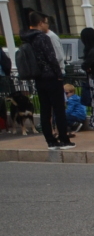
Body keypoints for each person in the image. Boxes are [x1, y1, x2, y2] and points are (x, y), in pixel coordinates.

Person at [19, 13, 73, 149]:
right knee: (59, 109)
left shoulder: (27, 38)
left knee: (45, 110)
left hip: (38, 77)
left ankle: (50, 140)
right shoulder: (42, 38)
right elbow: (51, 57)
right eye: (46, 23)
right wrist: (59, 74)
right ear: (41, 23)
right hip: (51, 77)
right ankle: (64, 139)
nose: (47, 25)